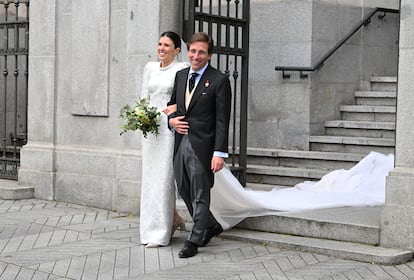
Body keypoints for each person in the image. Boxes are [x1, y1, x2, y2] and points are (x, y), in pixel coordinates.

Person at [167, 32, 232, 258]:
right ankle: (210, 224)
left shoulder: (219, 80)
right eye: (193, 51)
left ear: (209, 55)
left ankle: (194, 240)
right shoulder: (181, 75)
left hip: (203, 146)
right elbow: (172, 105)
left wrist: (219, 153)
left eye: (201, 52)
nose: (196, 56)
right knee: (184, 187)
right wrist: (171, 121)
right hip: (180, 142)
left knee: (200, 193)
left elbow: (223, 120)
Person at [139, 31, 189, 248]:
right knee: (150, 180)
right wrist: (140, 116)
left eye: (166, 45)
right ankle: (172, 219)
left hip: (169, 130)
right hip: (150, 130)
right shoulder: (149, 68)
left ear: (177, 50)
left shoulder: (181, 69)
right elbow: (143, 97)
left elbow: (187, 99)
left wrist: (175, 110)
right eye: (159, 44)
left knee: (163, 179)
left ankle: (160, 232)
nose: (161, 48)